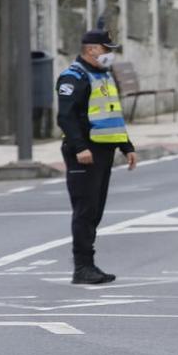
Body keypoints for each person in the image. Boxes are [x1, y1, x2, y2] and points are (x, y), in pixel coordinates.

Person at [56, 29, 137, 285]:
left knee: (95, 211)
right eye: (106, 49)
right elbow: (66, 117)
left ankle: (89, 265)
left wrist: (127, 146)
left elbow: (112, 114)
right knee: (85, 211)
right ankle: (82, 267)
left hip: (104, 151)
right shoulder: (74, 77)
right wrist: (80, 147)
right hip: (85, 153)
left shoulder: (102, 75)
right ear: (91, 49)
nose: (110, 54)